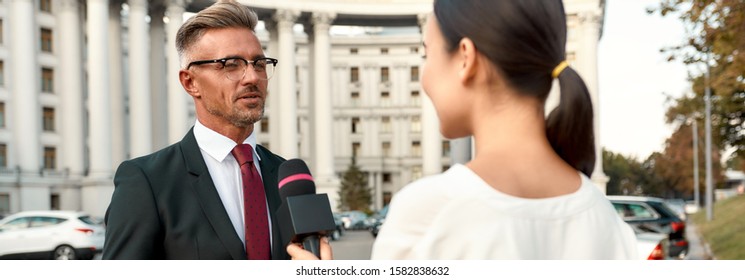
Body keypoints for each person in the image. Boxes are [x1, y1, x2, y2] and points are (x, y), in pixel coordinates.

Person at [370, 0, 638, 259]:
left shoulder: (427, 215)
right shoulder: (611, 225)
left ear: (466, 57)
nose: (424, 76)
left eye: (426, 54)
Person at [103, 0, 321, 260]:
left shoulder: (289, 179)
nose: (252, 77)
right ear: (190, 82)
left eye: (259, 63)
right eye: (231, 64)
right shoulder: (146, 181)